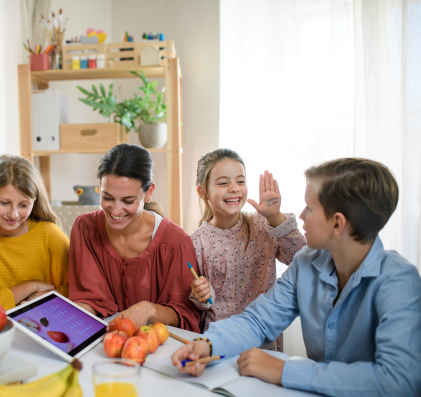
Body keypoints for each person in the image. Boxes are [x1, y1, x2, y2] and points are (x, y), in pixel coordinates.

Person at [171, 158, 421, 396]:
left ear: (337, 224)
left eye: (309, 208)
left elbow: (398, 382)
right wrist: (209, 344)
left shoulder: (398, 281)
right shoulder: (306, 263)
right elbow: (259, 321)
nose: (300, 216)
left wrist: (284, 370)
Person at [69, 144, 200, 332]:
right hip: (101, 343)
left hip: (157, 348)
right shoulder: (85, 229)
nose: (115, 210)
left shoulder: (175, 243)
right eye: (107, 197)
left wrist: (149, 309)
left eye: (128, 201)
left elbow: (186, 318)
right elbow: (88, 300)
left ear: (149, 192)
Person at [189, 149, 305, 349]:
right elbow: (200, 303)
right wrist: (200, 296)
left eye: (240, 181)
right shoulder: (196, 242)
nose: (234, 188)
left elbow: (302, 258)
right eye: (223, 183)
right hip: (219, 341)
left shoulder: (264, 225)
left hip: (263, 342)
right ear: (202, 192)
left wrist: (275, 217)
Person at [0, 154, 69, 310]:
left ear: (34, 202)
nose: (13, 214)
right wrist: (32, 287)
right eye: (5, 203)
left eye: (23, 205)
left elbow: (84, 290)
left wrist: (47, 296)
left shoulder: (49, 234)